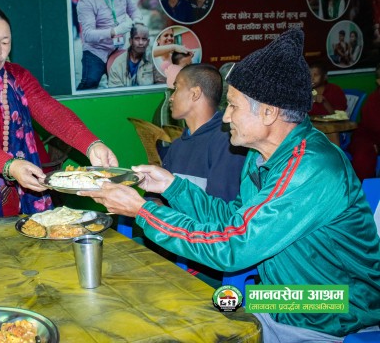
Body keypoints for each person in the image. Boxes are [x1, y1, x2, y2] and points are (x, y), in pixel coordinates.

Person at [79, 28, 380, 340]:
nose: (224, 118)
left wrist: (143, 211)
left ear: (268, 113)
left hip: (333, 310)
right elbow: (233, 219)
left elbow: (231, 245)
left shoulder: (310, 168)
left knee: (189, 327)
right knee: (172, 310)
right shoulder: (261, 155)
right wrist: (173, 187)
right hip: (281, 298)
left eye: (233, 106)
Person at [0, 3, 117, 222]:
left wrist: (91, 144)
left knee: (13, 249)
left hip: (11, 186)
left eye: (5, 42)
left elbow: (51, 112)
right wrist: (10, 165)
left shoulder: (16, 76)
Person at [162, 64, 246, 202]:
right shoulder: (177, 145)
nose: (171, 97)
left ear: (195, 93)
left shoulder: (228, 143)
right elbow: (156, 197)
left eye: (176, 88)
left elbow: (220, 210)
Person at [76, 0, 143, 90]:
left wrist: (137, 20)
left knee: (127, 83)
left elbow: (133, 10)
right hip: (96, 51)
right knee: (90, 83)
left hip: (118, 48)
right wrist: (115, 31)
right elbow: (88, 35)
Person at [349, 63, 380, 180]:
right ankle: (363, 192)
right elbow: (375, 127)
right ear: (378, 82)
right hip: (368, 138)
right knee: (363, 158)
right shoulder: (374, 100)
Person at [108, 23, 154, 87]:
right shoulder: (118, 64)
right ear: (130, 41)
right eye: (137, 38)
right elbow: (116, 94)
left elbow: (160, 86)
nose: (141, 43)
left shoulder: (153, 61)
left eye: (144, 39)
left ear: (148, 42)